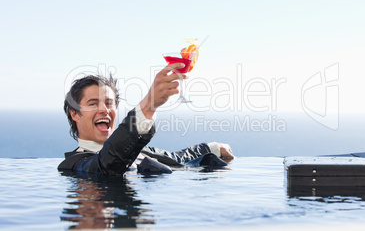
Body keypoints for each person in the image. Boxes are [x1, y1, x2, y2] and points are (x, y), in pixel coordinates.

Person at [58, 63, 234, 175]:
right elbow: (108, 163)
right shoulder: (74, 165)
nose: (104, 110)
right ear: (74, 113)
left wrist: (212, 147)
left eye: (109, 103)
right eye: (93, 104)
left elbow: (176, 157)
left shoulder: (140, 150)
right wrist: (149, 105)